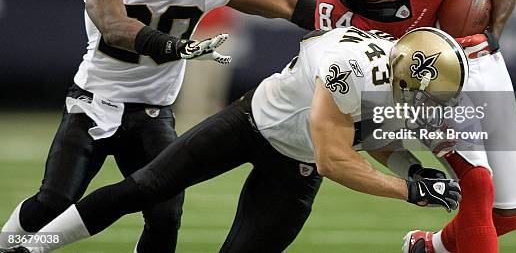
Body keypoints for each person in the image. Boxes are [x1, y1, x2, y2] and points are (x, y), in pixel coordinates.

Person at [0, 0, 319, 253]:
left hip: (153, 111)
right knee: (52, 204)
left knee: (165, 214)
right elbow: (115, 26)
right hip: (94, 102)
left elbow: (280, 3)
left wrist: (338, 16)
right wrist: (174, 47)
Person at [0, 27, 464, 253]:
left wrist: (411, 168)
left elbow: (369, 131)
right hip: (252, 124)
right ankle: (31, 247)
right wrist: (408, 190)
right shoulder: (350, 68)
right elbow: (335, 158)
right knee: (144, 188)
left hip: (295, 163)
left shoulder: (392, 76)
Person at [290, 0, 516, 253]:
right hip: (419, 89)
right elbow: (365, 112)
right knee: (476, 183)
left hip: (477, 57)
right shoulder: (337, 20)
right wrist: (406, 164)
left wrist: (492, 35)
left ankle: (425, 248)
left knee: (508, 215)